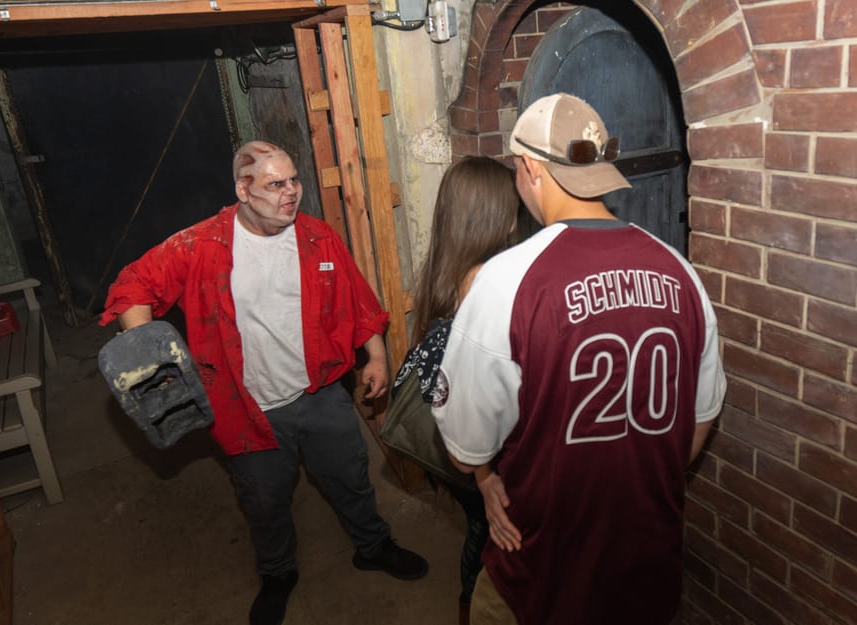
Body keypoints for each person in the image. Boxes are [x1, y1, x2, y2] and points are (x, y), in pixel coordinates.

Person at [99, 140, 428, 625]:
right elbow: (132, 285)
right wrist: (148, 356)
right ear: (243, 189)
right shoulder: (200, 246)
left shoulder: (318, 237)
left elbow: (360, 301)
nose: (291, 192)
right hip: (245, 409)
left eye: (293, 180)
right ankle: (278, 575)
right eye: (276, 184)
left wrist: (375, 353)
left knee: (351, 479)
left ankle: (373, 547)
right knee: (265, 502)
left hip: (319, 395)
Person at [431, 93, 727, 625]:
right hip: (645, 570)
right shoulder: (682, 272)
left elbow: (464, 445)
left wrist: (484, 478)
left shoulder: (506, 281)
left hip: (541, 577)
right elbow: (699, 422)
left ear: (530, 169)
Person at [391, 156, 519, 625]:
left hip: (453, 440)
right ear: (497, 215)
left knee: (477, 529)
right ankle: (473, 604)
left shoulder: (447, 267)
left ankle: (469, 599)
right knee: (492, 539)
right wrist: (487, 477)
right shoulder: (486, 282)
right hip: (477, 450)